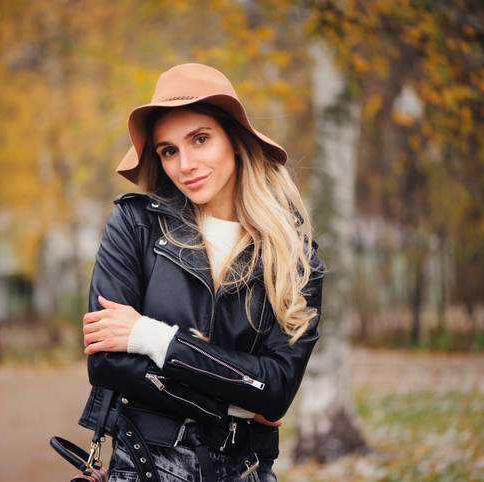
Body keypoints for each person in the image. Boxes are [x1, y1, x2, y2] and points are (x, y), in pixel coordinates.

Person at [79, 63, 325, 482]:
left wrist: (149, 337)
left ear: (234, 139)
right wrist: (235, 403)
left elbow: (278, 390)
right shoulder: (136, 225)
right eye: (168, 150)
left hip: (246, 471)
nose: (185, 163)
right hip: (145, 467)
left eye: (200, 139)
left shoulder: (294, 257)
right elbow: (107, 363)